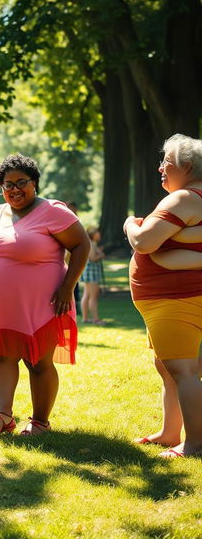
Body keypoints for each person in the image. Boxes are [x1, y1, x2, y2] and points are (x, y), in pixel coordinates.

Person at [0, 155, 89, 438]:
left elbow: (81, 244)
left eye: (21, 182)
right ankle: (3, 416)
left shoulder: (53, 211)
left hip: (43, 301)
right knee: (0, 357)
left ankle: (39, 421)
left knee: (37, 361)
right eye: (7, 184)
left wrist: (67, 287)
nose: (14, 189)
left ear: (34, 182)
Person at [123, 133, 202, 458]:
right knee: (168, 368)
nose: (160, 169)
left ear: (186, 165)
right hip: (170, 300)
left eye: (165, 163)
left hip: (176, 299)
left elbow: (144, 241)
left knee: (183, 370)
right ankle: (170, 433)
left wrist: (130, 223)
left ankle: (195, 443)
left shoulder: (184, 198)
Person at [80, 227, 105, 324]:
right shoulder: (91, 244)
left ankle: (85, 318)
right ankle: (96, 319)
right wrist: (101, 255)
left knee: (87, 295)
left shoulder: (91, 244)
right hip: (92, 273)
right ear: (93, 235)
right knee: (93, 296)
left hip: (89, 272)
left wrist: (99, 252)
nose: (99, 235)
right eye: (97, 233)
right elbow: (92, 258)